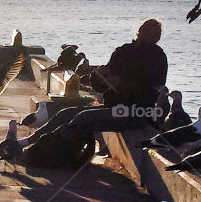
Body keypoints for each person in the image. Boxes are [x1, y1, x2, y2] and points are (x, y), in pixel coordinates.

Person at [24, 19, 168, 164]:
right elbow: (101, 85)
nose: (145, 31)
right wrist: (94, 74)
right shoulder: (123, 51)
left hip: (136, 112)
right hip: (113, 106)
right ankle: (28, 142)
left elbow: (152, 88)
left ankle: (46, 153)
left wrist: (120, 83)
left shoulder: (158, 58)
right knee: (65, 113)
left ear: (157, 37)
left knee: (84, 118)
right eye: (145, 27)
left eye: (152, 30)